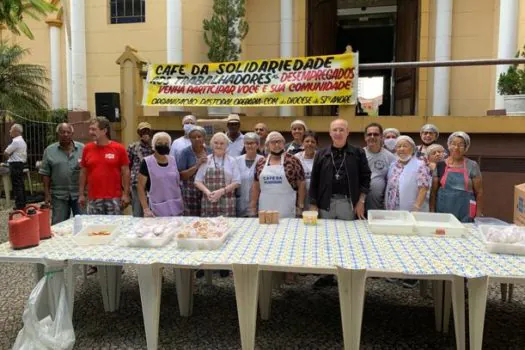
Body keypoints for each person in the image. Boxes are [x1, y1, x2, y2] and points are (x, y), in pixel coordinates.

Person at [309, 119, 371, 220]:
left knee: (348, 234)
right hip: (326, 203)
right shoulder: (321, 154)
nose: (338, 133)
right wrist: (313, 204)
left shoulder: (358, 153)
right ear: (330, 133)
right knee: (325, 233)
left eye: (341, 130)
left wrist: (361, 201)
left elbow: (366, 178)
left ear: (347, 132)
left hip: (349, 204)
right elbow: (314, 180)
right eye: (335, 130)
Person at [79, 117, 130, 215]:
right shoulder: (87, 148)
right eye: (90, 129)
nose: (90, 132)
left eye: (94, 129)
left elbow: (126, 172)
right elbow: (83, 172)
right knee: (95, 229)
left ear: (104, 131)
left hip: (114, 198)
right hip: (93, 198)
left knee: (115, 227)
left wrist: (126, 194)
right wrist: (81, 194)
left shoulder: (119, 148)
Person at [250, 131, 306, 218]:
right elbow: (256, 186)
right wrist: (253, 206)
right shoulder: (261, 162)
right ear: (267, 145)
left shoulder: (293, 161)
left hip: (287, 208)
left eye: (279, 141)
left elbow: (301, 184)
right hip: (265, 208)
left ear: (283, 144)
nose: (276, 145)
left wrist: (300, 206)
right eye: (273, 142)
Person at [430, 131, 483, 222]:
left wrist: (478, 215)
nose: (456, 148)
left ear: (466, 148)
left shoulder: (472, 165)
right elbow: (433, 192)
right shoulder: (441, 165)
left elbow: (479, 192)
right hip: (443, 211)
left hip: (466, 212)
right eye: (453, 144)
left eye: (461, 145)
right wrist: (432, 212)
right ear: (448, 145)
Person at [39, 123, 84, 224]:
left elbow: (88, 171)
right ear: (57, 134)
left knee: (83, 223)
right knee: (59, 224)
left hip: (79, 194)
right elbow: (45, 174)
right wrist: (47, 194)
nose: (65, 134)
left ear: (72, 134)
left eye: (68, 132)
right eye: (62, 132)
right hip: (59, 195)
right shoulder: (49, 150)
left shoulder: (82, 149)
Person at [137, 132, 183, 217]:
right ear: (154, 145)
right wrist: (146, 209)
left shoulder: (173, 160)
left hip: (176, 207)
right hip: (157, 210)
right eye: (159, 143)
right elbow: (140, 187)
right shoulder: (147, 162)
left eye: (166, 143)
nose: (163, 145)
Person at [195, 132, 241, 217]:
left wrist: (221, 192)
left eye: (222, 143)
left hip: (227, 201)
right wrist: (208, 192)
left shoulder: (232, 161)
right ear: (212, 144)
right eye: (216, 143)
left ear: (226, 146)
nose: (218, 146)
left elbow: (237, 182)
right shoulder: (206, 160)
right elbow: (197, 181)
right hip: (209, 200)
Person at [385, 136, 431, 212]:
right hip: (392, 208)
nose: (401, 149)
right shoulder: (393, 165)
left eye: (405, 146)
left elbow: (423, 188)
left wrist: (417, 207)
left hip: (412, 209)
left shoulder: (420, 165)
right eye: (399, 146)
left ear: (412, 149)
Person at [178, 126, 210, 216]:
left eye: (199, 136)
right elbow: (181, 175)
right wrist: (197, 165)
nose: (197, 139)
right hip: (190, 193)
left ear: (204, 137)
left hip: (206, 191)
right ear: (189, 139)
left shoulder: (210, 151)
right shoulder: (185, 153)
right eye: (193, 137)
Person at [363, 123, 396, 211]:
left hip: (379, 207)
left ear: (381, 137)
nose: (372, 137)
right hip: (359, 206)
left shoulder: (390, 157)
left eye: (376, 134)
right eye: (369, 134)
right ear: (365, 137)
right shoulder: (358, 154)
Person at [127, 122, 153, 217]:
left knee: (151, 212)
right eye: (143, 131)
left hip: (151, 185)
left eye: (147, 131)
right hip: (136, 184)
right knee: (137, 213)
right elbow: (127, 167)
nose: (145, 133)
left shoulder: (153, 148)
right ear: (139, 133)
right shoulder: (133, 147)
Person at [235, 133, 264, 217]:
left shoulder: (263, 160)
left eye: (252, 143)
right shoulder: (237, 160)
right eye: (247, 143)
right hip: (241, 203)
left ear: (258, 145)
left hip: (258, 204)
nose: (249, 145)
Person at [3, 123, 27, 209]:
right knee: (20, 184)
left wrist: (9, 158)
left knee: (17, 185)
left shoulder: (16, 141)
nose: (10, 131)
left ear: (16, 131)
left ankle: (19, 205)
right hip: (20, 164)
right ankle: (23, 203)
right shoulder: (22, 141)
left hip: (15, 164)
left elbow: (6, 152)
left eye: (11, 130)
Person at [294, 131, 318, 210]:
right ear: (302, 143)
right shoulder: (296, 158)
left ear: (316, 144)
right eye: (307, 141)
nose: (310, 144)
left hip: (316, 197)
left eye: (313, 142)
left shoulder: (321, 157)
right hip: (299, 196)